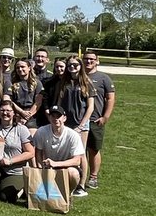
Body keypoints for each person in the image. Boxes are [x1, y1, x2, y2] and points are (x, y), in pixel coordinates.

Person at [56, 55, 94, 190]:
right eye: (70, 65)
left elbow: (90, 107)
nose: (72, 67)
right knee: (66, 152)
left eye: (75, 65)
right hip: (66, 123)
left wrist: (81, 125)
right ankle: (66, 180)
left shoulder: (86, 82)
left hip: (81, 124)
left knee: (81, 153)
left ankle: (81, 184)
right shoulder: (63, 83)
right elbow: (59, 103)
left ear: (80, 66)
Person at [32, 105, 87, 198]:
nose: (56, 119)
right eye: (53, 116)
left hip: (67, 167)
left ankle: (69, 193)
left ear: (64, 118)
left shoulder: (73, 135)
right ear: (49, 118)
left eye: (58, 116)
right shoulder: (41, 132)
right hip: (48, 166)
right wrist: (41, 169)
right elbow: (38, 153)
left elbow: (77, 161)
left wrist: (55, 164)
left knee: (73, 173)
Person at [83, 49, 115, 189]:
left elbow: (110, 98)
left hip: (95, 120)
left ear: (97, 61)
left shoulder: (104, 78)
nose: (88, 61)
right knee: (78, 150)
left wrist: (105, 116)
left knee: (93, 149)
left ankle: (93, 177)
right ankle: (79, 176)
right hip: (78, 120)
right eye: (86, 59)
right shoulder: (78, 75)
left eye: (92, 59)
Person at [7, 58, 43, 129]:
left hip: (32, 115)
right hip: (16, 114)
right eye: (17, 68)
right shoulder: (11, 83)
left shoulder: (37, 83)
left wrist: (27, 117)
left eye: (22, 67)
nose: (20, 69)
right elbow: (9, 101)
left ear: (29, 68)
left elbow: (38, 103)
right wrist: (21, 112)